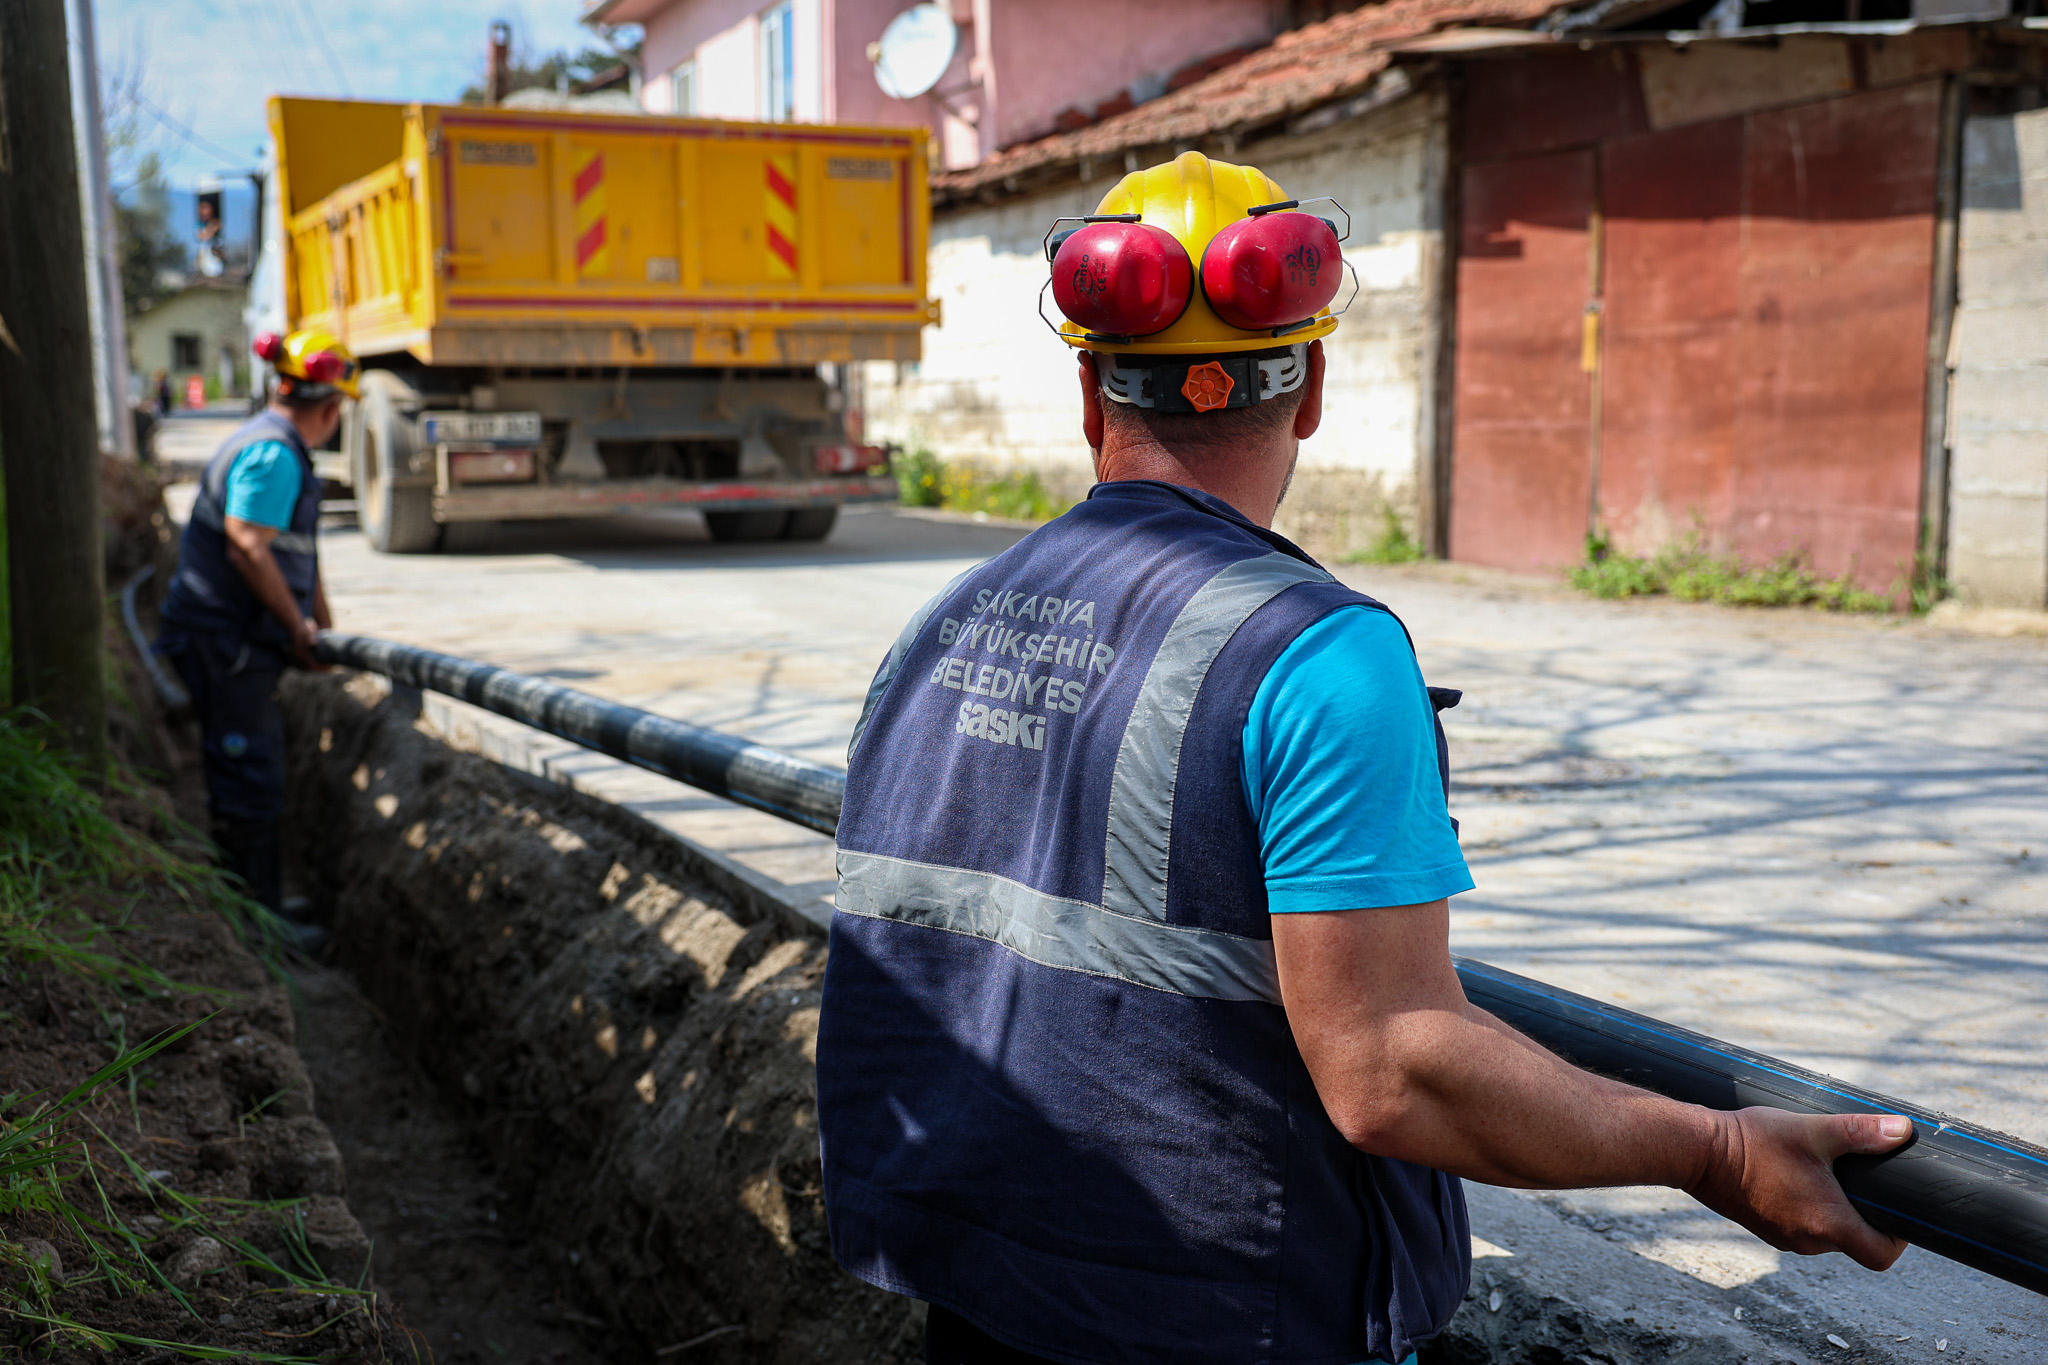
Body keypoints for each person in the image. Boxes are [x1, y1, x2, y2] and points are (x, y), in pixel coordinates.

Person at [816, 153, 1912, 1365]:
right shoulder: (1317, 657)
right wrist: (1716, 1150)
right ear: (1313, 385)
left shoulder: (945, 621)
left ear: (1090, 394)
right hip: (1213, 1313)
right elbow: (1391, 1071)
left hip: (980, 1290)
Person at [157, 328, 357, 919]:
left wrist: (320, 624)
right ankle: (258, 930)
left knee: (254, 772)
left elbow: (294, 551)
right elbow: (248, 546)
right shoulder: (273, 454)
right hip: (226, 643)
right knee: (248, 780)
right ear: (331, 407)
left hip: (232, 642)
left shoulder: (274, 445)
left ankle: (261, 908)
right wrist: (297, 627)